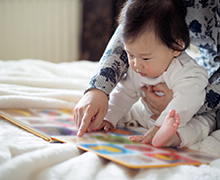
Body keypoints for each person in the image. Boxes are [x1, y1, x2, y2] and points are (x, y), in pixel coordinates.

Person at [73, 0, 220, 144]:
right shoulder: (139, 65)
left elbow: (190, 98)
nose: (136, 64)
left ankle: (173, 137)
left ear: (176, 47)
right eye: (130, 55)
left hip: (187, 115)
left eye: (145, 57)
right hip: (150, 113)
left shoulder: (186, 71)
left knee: (203, 123)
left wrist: (161, 124)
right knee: (131, 111)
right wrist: (108, 116)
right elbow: (124, 93)